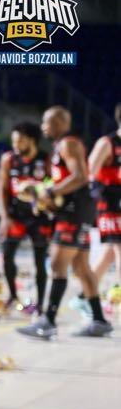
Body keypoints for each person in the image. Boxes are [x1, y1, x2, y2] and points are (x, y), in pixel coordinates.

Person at [18, 106, 112, 339]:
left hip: (74, 212)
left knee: (57, 264)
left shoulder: (68, 144)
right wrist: (45, 192)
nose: (43, 127)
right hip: (78, 210)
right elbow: (67, 179)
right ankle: (99, 320)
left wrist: (49, 192)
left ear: (59, 122)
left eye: (46, 122)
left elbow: (80, 177)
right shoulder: (63, 145)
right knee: (81, 267)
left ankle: (48, 322)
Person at [0, 122, 51, 315]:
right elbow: (2, 190)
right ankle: (13, 296)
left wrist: (43, 195)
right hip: (16, 216)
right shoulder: (9, 159)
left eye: (20, 141)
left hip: (39, 217)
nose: (16, 145)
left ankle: (41, 304)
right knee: (7, 256)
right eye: (13, 141)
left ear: (32, 140)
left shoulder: (46, 159)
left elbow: (52, 185)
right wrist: (5, 217)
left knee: (40, 261)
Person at [88, 103, 121, 291]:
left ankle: (85, 296)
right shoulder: (107, 143)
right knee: (119, 249)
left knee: (110, 253)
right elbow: (90, 173)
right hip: (110, 203)